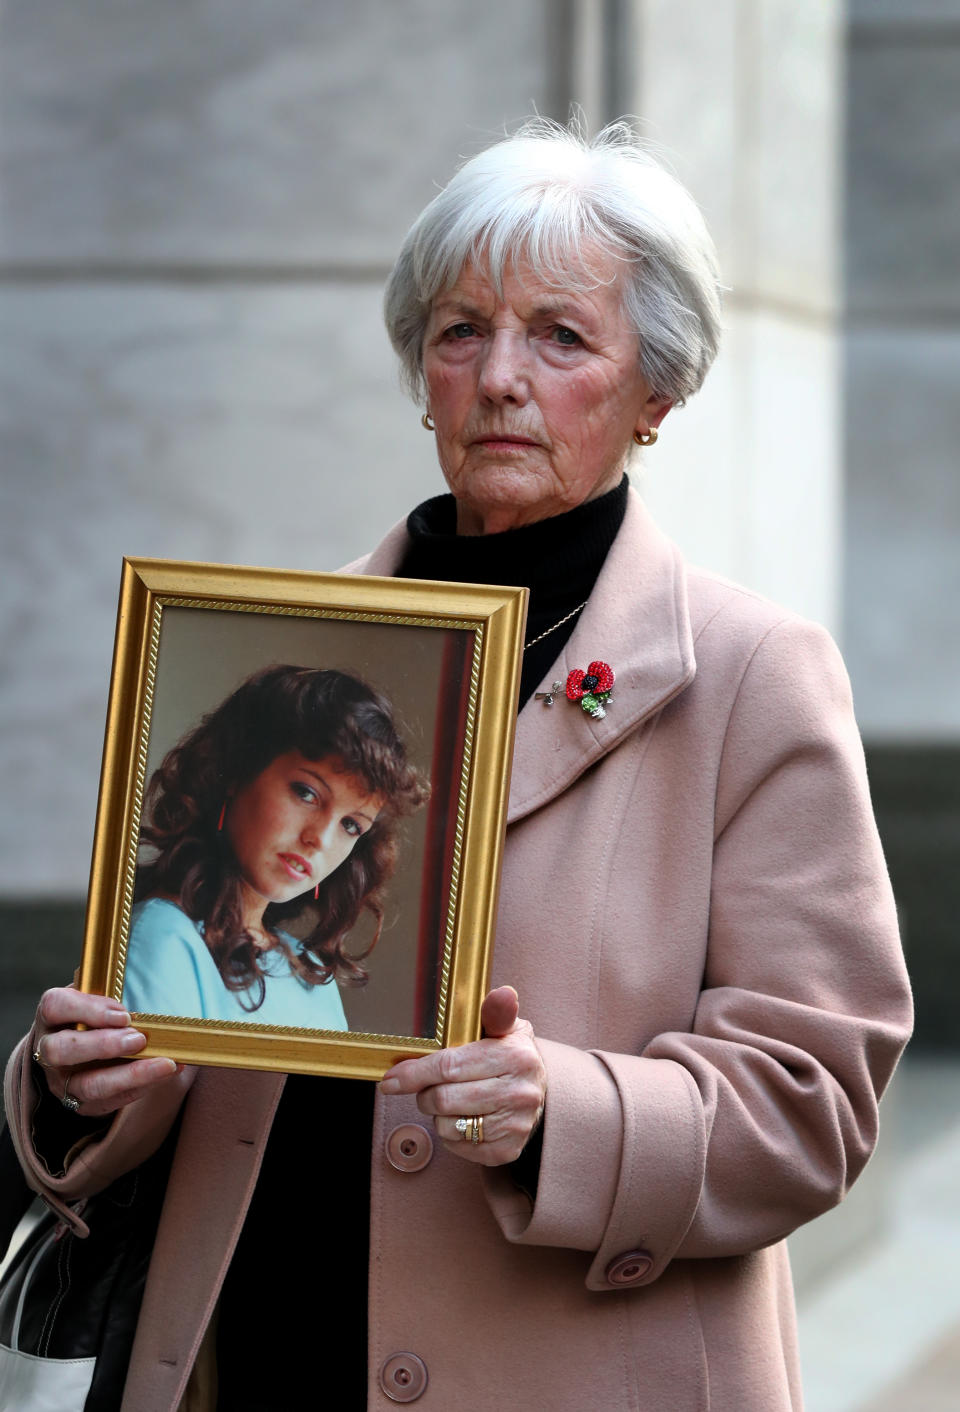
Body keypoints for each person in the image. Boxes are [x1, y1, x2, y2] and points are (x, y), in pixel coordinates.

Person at [5, 117, 911, 1411]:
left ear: (656, 393)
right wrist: (80, 1084)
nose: (498, 378)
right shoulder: (281, 653)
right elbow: (196, 1014)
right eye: (459, 332)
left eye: (560, 336)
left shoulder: (751, 674)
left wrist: (567, 1112)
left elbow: (812, 1100)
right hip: (251, 1353)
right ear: (421, 374)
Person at [122, 664, 428, 1031]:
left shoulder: (309, 972)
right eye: (306, 793)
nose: (320, 839)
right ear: (238, 771)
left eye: (351, 825)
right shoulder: (163, 937)